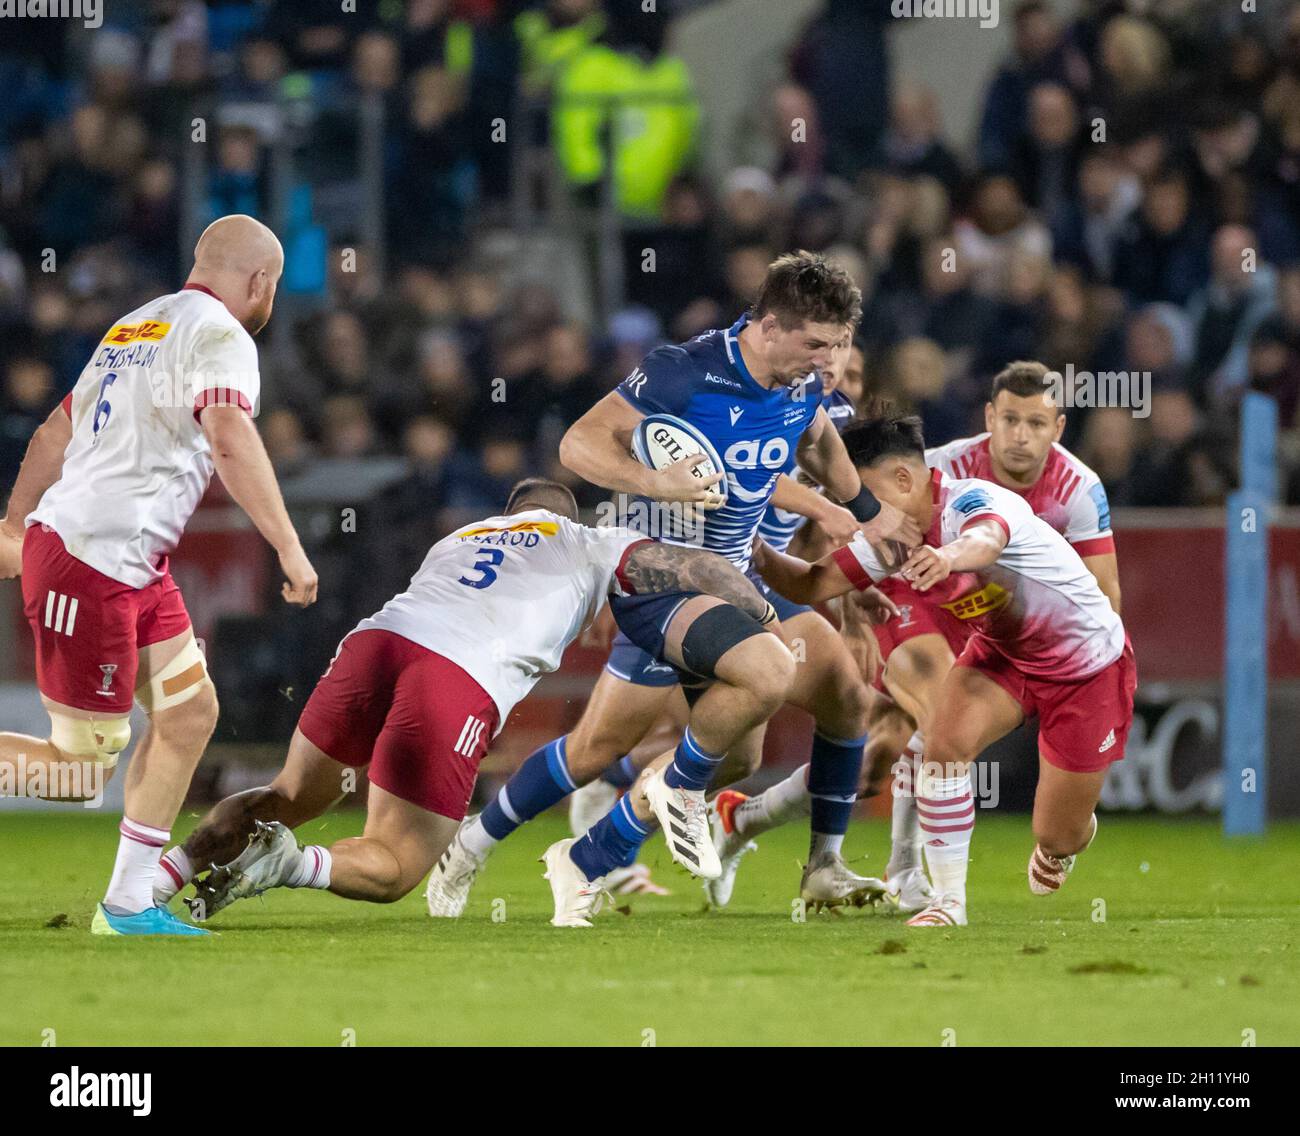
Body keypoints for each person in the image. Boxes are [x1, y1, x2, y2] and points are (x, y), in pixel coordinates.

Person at [426, 253, 920, 926]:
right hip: (658, 576)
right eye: (817, 344)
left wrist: (867, 514)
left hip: (734, 579)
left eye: (839, 345)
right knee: (605, 745)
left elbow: (818, 441)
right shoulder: (683, 370)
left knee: (765, 738)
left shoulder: (801, 384)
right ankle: (486, 844)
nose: (829, 361)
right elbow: (578, 445)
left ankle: (806, 861)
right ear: (769, 326)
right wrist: (659, 482)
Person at [163, 479, 780, 921]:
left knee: (290, 794)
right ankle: (291, 866)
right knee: (398, 862)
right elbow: (692, 568)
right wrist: (760, 609)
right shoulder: (591, 541)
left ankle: (157, 880)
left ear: (510, 510)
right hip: (456, 676)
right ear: (570, 516)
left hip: (376, 642)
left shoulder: (462, 536)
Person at [0, 214, 318, 937]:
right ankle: (127, 904)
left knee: (188, 715)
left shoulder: (136, 325)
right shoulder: (222, 336)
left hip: (130, 563)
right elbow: (230, 436)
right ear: (261, 281)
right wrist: (289, 548)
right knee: (78, 772)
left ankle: (128, 905)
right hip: (90, 562)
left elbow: (56, 430)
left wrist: (15, 524)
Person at [715, 360, 1121, 914]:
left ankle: (1063, 837)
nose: (855, 511)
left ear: (904, 482)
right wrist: (751, 547)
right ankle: (943, 900)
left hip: (1085, 666)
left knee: (1057, 831)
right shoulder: (891, 529)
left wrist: (946, 555)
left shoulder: (977, 498)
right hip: (1000, 651)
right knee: (942, 743)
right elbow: (811, 582)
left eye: (860, 496)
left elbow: (986, 539)